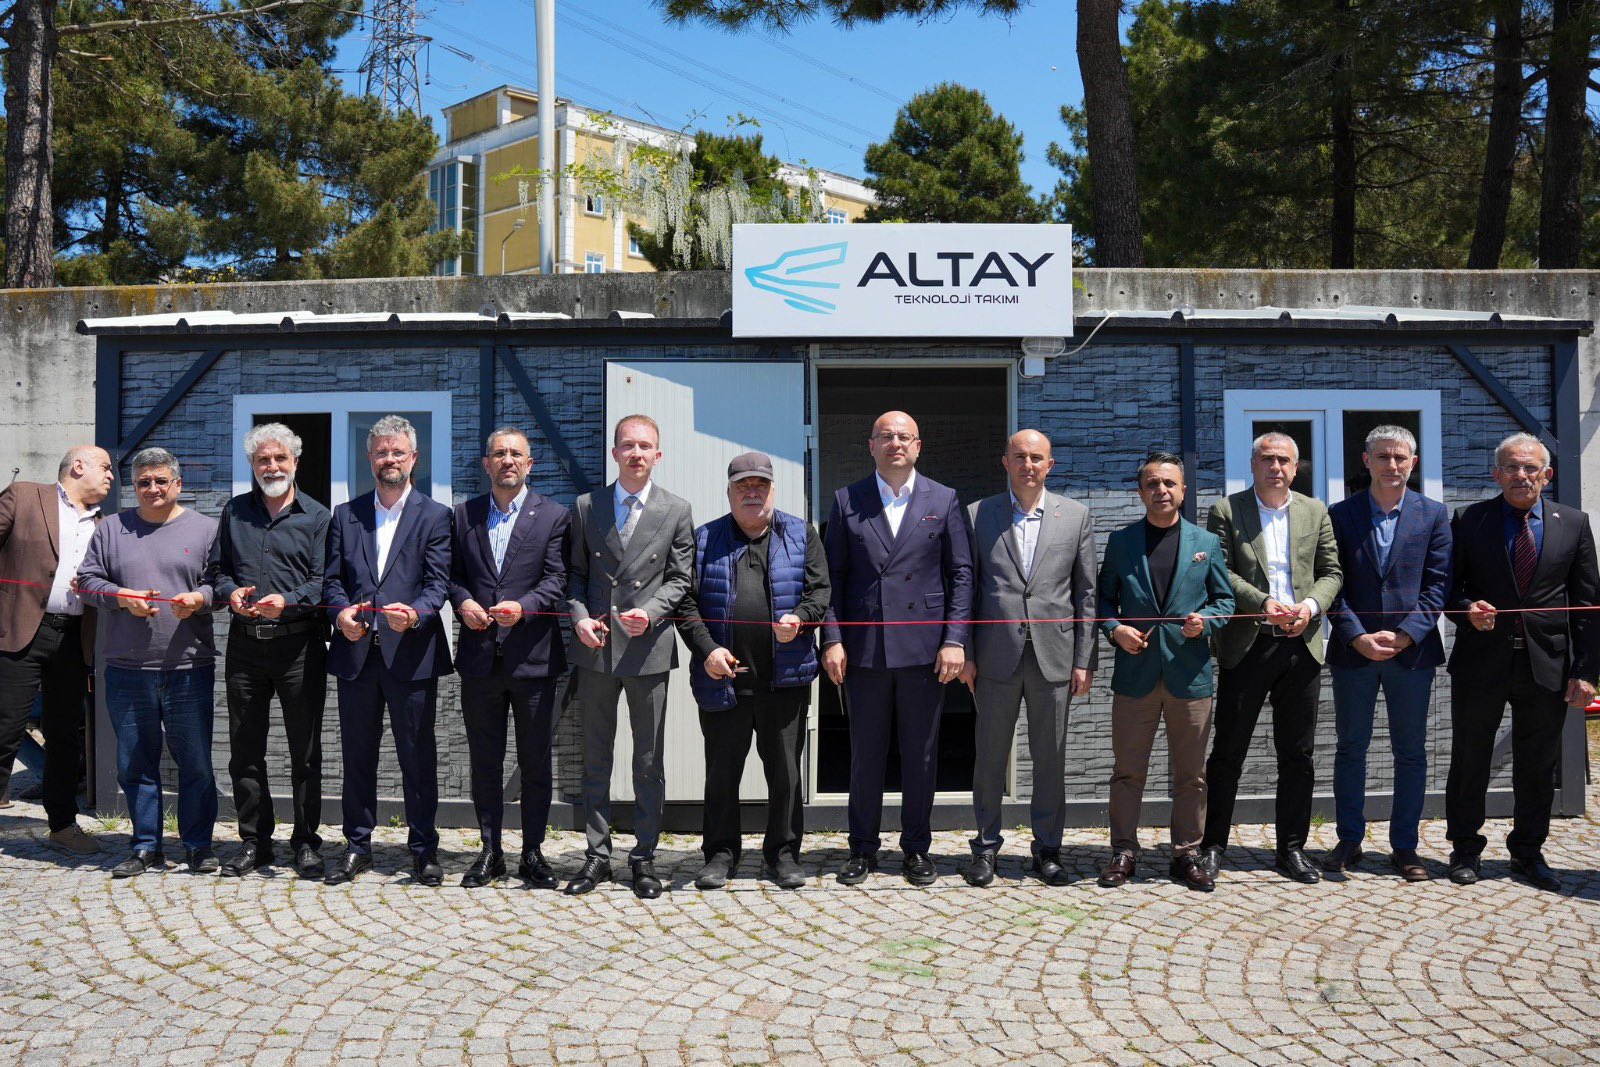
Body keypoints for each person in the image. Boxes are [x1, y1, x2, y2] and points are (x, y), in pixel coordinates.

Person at [821, 410, 973, 888]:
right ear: (871, 445)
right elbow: (831, 578)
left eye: (905, 436)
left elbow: (961, 574)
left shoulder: (943, 499)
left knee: (921, 753)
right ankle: (862, 848)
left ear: (918, 446)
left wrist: (955, 640)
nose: (896, 444)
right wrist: (832, 638)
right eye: (886, 436)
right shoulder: (847, 500)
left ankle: (916, 848)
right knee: (865, 753)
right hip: (864, 648)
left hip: (925, 649)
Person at [1444, 431, 1598, 892]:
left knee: (1537, 763)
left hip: (1547, 664)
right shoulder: (1469, 519)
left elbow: (1588, 604)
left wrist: (1586, 672)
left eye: (1530, 468)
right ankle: (1465, 849)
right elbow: (1448, 590)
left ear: (1546, 475)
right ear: (1496, 474)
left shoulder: (1574, 523)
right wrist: (1467, 609)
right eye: (1511, 467)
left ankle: (1528, 852)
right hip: (1481, 662)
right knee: (1470, 759)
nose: (1521, 475)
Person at [676, 452, 830, 891]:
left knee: (785, 775)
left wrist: (801, 618)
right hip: (723, 680)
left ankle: (783, 853)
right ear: (729, 492)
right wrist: (707, 650)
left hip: (784, 680)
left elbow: (820, 591)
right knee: (721, 774)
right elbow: (685, 603)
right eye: (743, 486)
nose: (752, 493)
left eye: (760, 485)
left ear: (772, 490)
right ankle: (720, 853)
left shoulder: (801, 534)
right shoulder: (705, 538)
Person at [1199, 432, 1343, 884]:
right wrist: (1262, 603)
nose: (1275, 466)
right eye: (1267, 458)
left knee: (1298, 754)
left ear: (1296, 468)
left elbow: (1332, 572)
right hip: (1249, 643)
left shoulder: (1315, 511)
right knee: (1228, 751)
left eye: (1283, 460)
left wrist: (1310, 607)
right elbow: (1220, 572)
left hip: (1301, 644)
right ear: (1253, 464)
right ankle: (1212, 846)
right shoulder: (1227, 510)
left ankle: (1291, 848)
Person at [564, 414, 694, 898]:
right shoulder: (587, 505)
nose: (636, 453)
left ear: (658, 454)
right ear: (614, 452)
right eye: (628, 445)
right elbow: (575, 574)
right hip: (597, 647)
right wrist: (579, 617)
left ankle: (644, 857)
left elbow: (681, 578)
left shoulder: (676, 509)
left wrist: (653, 612)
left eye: (645, 446)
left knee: (648, 760)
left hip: (648, 649)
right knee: (596, 758)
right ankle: (597, 855)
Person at [959, 429, 1097, 888]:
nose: (1028, 465)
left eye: (1037, 457)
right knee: (989, 757)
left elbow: (1086, 593)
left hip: (1054, 656)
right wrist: (966, 652)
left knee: (1050, 758)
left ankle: (1048, 850)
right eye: (1019, 456)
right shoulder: (978, 514)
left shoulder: (1075, 516)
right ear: (1005, 462)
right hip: (995, 656)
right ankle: (985, 848)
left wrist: (1084, 659)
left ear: (1049, 464)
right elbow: (967, 588)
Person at [76, 448, 220, 877]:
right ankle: (145, 846)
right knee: (135, 763)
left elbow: (221, 584)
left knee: (196, 763)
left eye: (161, 481)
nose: (152, 488)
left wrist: (200, 598)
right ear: (133, 487)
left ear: (178, 484)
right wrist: (122, 598)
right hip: (127, 668)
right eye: (143, 482)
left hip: (189, 666)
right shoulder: (111, 529)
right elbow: (87, 582)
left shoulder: (207, 529)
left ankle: (197, 845)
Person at [323, 415, 453, 887]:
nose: (389, 459)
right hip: (357, 654)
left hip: (411, 654)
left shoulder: (436, 515)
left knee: (417, 756)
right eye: (381, 452)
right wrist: (340, 613)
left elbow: (438, 583)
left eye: (398, 452)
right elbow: (332, 581)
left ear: (413, 457)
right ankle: (357, 846)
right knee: (357, 755)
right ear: (370, 458)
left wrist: (416, 614)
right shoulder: (346, 514)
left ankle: (423, 849)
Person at [1096, 452, 1232, 893]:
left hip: (1188, 675)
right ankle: (1123, 850)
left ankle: (1186, 853)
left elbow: (1225, 601)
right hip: (1135, 674)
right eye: (1153, 483)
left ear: (1183, 490)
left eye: (1169, 483)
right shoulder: (1121, 542)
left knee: (1191, 774)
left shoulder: (1205, 542)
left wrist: (1204, 622)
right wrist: (1115, 629)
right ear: (1140, 492)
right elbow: (1102, 601)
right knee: (1127, 771)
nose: (1161, 490)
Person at [1324, 426, 1452, 881]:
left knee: (1411, 752)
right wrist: (1356, 636)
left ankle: (1405, 845)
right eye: (1383, 457)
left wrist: (1405, 635)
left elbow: (1439, 584)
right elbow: (1331, 582)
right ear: (1367, 460)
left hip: (1411, 655)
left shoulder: (1434, 515)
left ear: (1413, 463)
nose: (1392, 465)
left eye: (1400, 457)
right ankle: (1349, 839)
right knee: (1350, 748)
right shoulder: (1340, 514)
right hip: (1354, 652)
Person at [205, 423, 332, 879]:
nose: (272, 466)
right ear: (253, 465)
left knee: (306, 752)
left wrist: (289, 601)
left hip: (300, 647)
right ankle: (254, 842)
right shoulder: (234, 512)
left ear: (295, 462)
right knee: (245, 750)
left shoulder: (318, 516)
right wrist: (230, 592)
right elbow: (217, 570)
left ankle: (306, 842)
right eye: (263, 459)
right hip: (245, 647)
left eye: (280, 458)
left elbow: (324, 581)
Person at [450, 427, 571, 889]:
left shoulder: (554, 516)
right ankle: (490, 852)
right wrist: (462, 600)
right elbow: (451, 575)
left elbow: (557, 579)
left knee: (535, 762)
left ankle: (533, 853)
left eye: (516, 454)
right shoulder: (463, 515)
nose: (507, 460)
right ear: (486, 464)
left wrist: (524, 607)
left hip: (533, 659)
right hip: (480, 660)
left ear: (529, 463)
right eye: (499, 453)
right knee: (485, 761)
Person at [0, 446, 112, 853]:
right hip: (17, 632)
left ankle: (63, 825)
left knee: (65, 737)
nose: (111, 476)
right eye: (105, 467)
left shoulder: (105, 525)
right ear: (78, 465)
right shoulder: (24, 495)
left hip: (73, 638)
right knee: (5, 729)